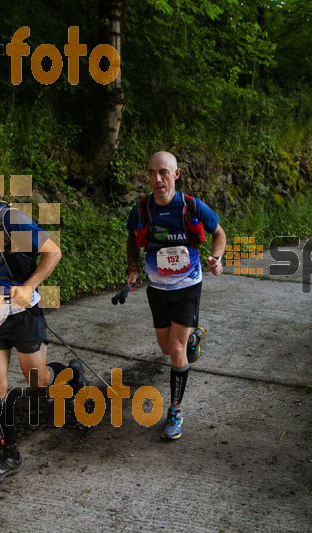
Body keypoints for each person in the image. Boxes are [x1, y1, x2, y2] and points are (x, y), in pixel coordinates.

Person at [0, 163, 88, 485]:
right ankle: (8, 453)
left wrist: (29, 286)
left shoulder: (11, 219)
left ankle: (70, 374)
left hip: (24, 314)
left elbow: (53, 252)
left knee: (38, 380)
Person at [125, 151, 226, 440]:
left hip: (187, 285)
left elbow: (219, 234)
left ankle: (175, 410)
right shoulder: (142, 209)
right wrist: (133, 269)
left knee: (177, 352)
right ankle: (193, 337)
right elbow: (132, 240)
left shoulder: (192, 206)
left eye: (164, 172)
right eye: (152, 173)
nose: (157, 179)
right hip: (157, 288)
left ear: (176, 174)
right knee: (167, 348)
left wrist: (216, 258)